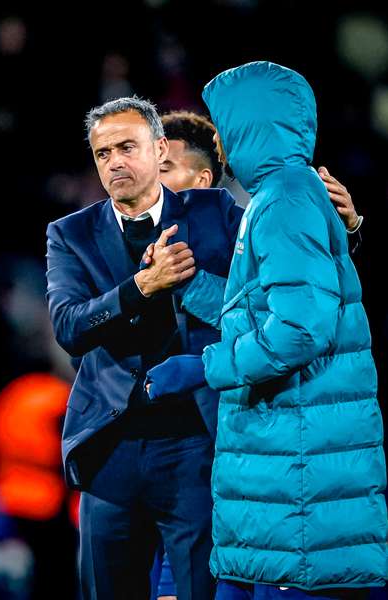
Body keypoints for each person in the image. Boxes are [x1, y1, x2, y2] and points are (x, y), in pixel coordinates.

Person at [147, 61, 388, 598]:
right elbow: (261, 309)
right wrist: (185, 284)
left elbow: (301, 330)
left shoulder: (285, 200)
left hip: (296, 482)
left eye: (226, 125)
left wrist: (201, 368)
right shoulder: (278, 197)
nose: (222, 143)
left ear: (251, 125)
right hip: (279, 477)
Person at [47, 96, 245, 599]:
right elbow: (69, 326)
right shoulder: (70, 235)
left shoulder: (214, 210)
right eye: (102, 153)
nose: (114, 162)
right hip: (111, 447)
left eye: (126, 147)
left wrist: (349, 232)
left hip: (195, 444)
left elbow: (281, 270)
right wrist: (143, 286)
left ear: (159, 150)